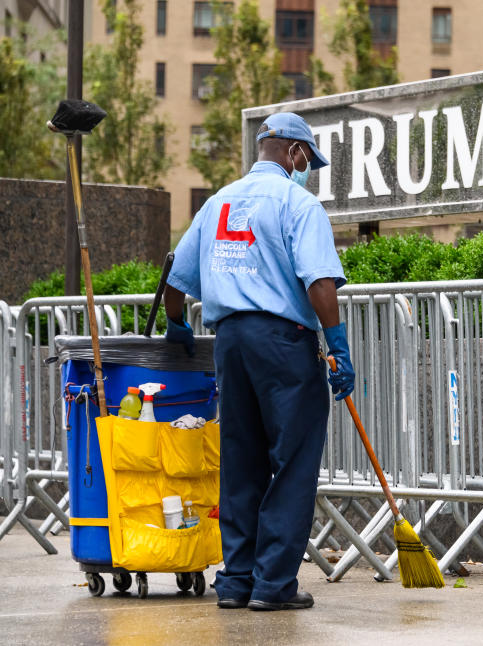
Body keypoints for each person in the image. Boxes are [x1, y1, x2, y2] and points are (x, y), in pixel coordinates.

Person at [163, 111, 355, 611]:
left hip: (230, 342)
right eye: (308, 158)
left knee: (242, 459)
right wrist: (336, 345)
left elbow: (175, 277)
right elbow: (319, 282)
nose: (308, 167)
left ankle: (237, 581)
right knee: (292, 461)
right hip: (283, 343)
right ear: (293, 152)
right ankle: (272, 586)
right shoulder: (298, 203)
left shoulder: (216, 202)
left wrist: (177, 324)